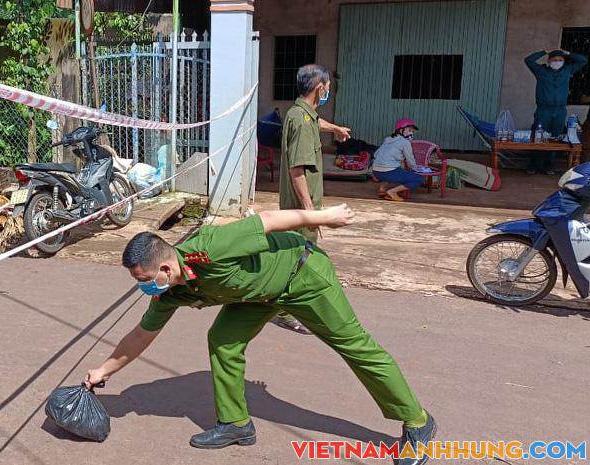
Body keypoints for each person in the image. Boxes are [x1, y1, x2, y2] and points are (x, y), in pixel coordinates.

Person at [83, 205, 435, 465]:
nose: (143, 287)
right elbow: (142, 335)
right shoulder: (169, 291)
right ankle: (236, 424)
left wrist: (324, 216)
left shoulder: (211, 246)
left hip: (303, 277)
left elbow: (267, 221)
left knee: (355, 347)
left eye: (143, 279)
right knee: (223, 341)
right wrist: (103, 371)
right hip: (256, 296)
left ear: (164, 266)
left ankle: (417, 421)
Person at [276, 64, 351, 334]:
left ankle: (289, 305)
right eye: (328, 88)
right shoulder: (301, 121)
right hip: (301, 208)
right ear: (320, 89)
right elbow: (298, 170)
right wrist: (311, 212)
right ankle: (284, 310)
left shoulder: (300, 114)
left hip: (300, 207)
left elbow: (315, 121)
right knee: (300, 259)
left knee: (298, 257)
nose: (329, 92)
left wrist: (335, 129)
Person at [524, 49, 588, 175]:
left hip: (559, 110)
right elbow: (528, 60)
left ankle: (549, 166)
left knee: (555, 138)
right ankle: (533, 165)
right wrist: (544, 51)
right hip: (543, 110)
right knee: (538, 137)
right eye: (554, 60)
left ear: (564, 61)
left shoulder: (567, 71)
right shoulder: (540, 71)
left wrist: (569, 53)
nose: (557, 62)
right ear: (548, 61)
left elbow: (583, 60)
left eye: (560, 60)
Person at [372, 118, 426, 202]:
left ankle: (382, 189)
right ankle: (392, 192)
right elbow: (411, 161)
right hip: (388, 172)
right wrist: (418, 169)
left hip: (375, 171)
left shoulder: (388, 139)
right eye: (409, 130)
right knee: (419, 179)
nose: (411, 133)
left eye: (412, 131)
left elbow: (375, 154)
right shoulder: (405, 142)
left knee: (396, 169)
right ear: (401, 130)